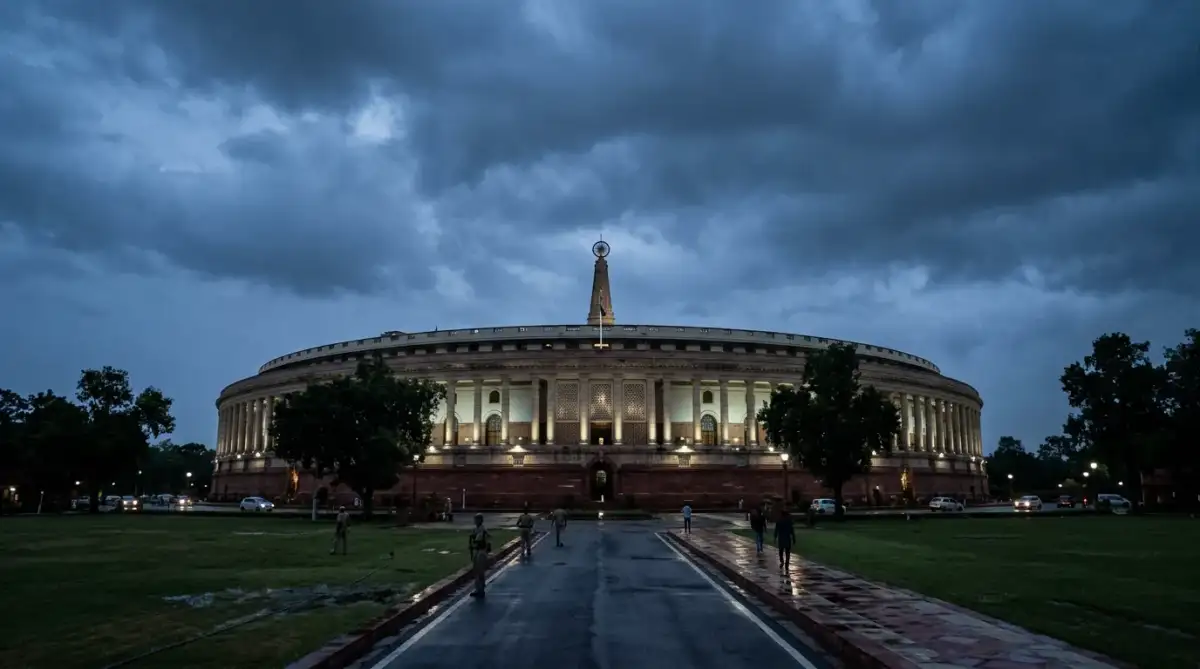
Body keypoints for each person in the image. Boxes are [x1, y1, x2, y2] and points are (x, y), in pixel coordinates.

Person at [468, 513, 491, 598]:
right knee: (476, 571)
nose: (475, 521)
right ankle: (478, 589)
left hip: (481, 551)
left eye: (477, 519)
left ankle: (481, 589)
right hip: (477, 551)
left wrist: (473, 544)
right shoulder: (475, 529)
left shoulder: (482, 530)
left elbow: (480, 542)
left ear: (481, 520)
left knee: (480, 571)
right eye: (475, 519)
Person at [774, 506, 795, 571]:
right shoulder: (789, 521)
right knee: (787, 552)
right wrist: (794, 538)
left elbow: (776, 530)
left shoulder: (779, 521)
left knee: (781, 551)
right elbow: (792, 530)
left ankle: (782, 560)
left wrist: (775, 537)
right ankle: (787, 563)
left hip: (781, 538)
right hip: (787, 538)